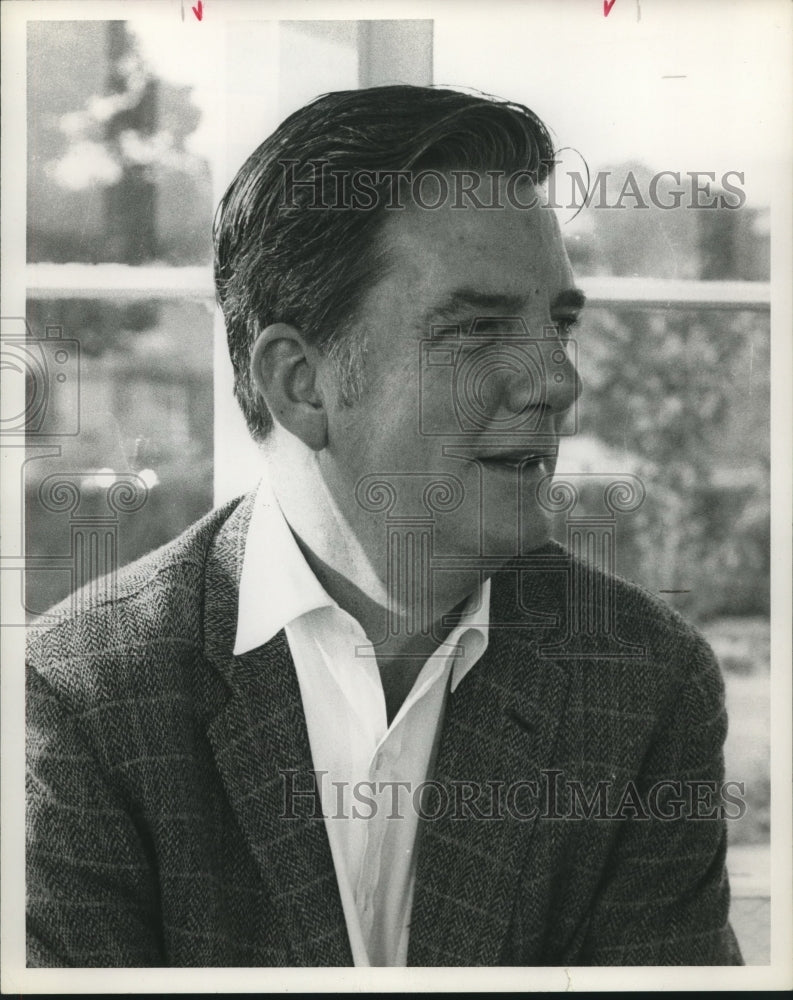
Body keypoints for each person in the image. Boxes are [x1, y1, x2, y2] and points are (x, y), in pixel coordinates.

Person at [26, 85, 743, 967]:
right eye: (477, 328)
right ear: (301, 383)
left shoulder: (643, 683)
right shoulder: (83, 698)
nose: (555, 380)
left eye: (556, 324)